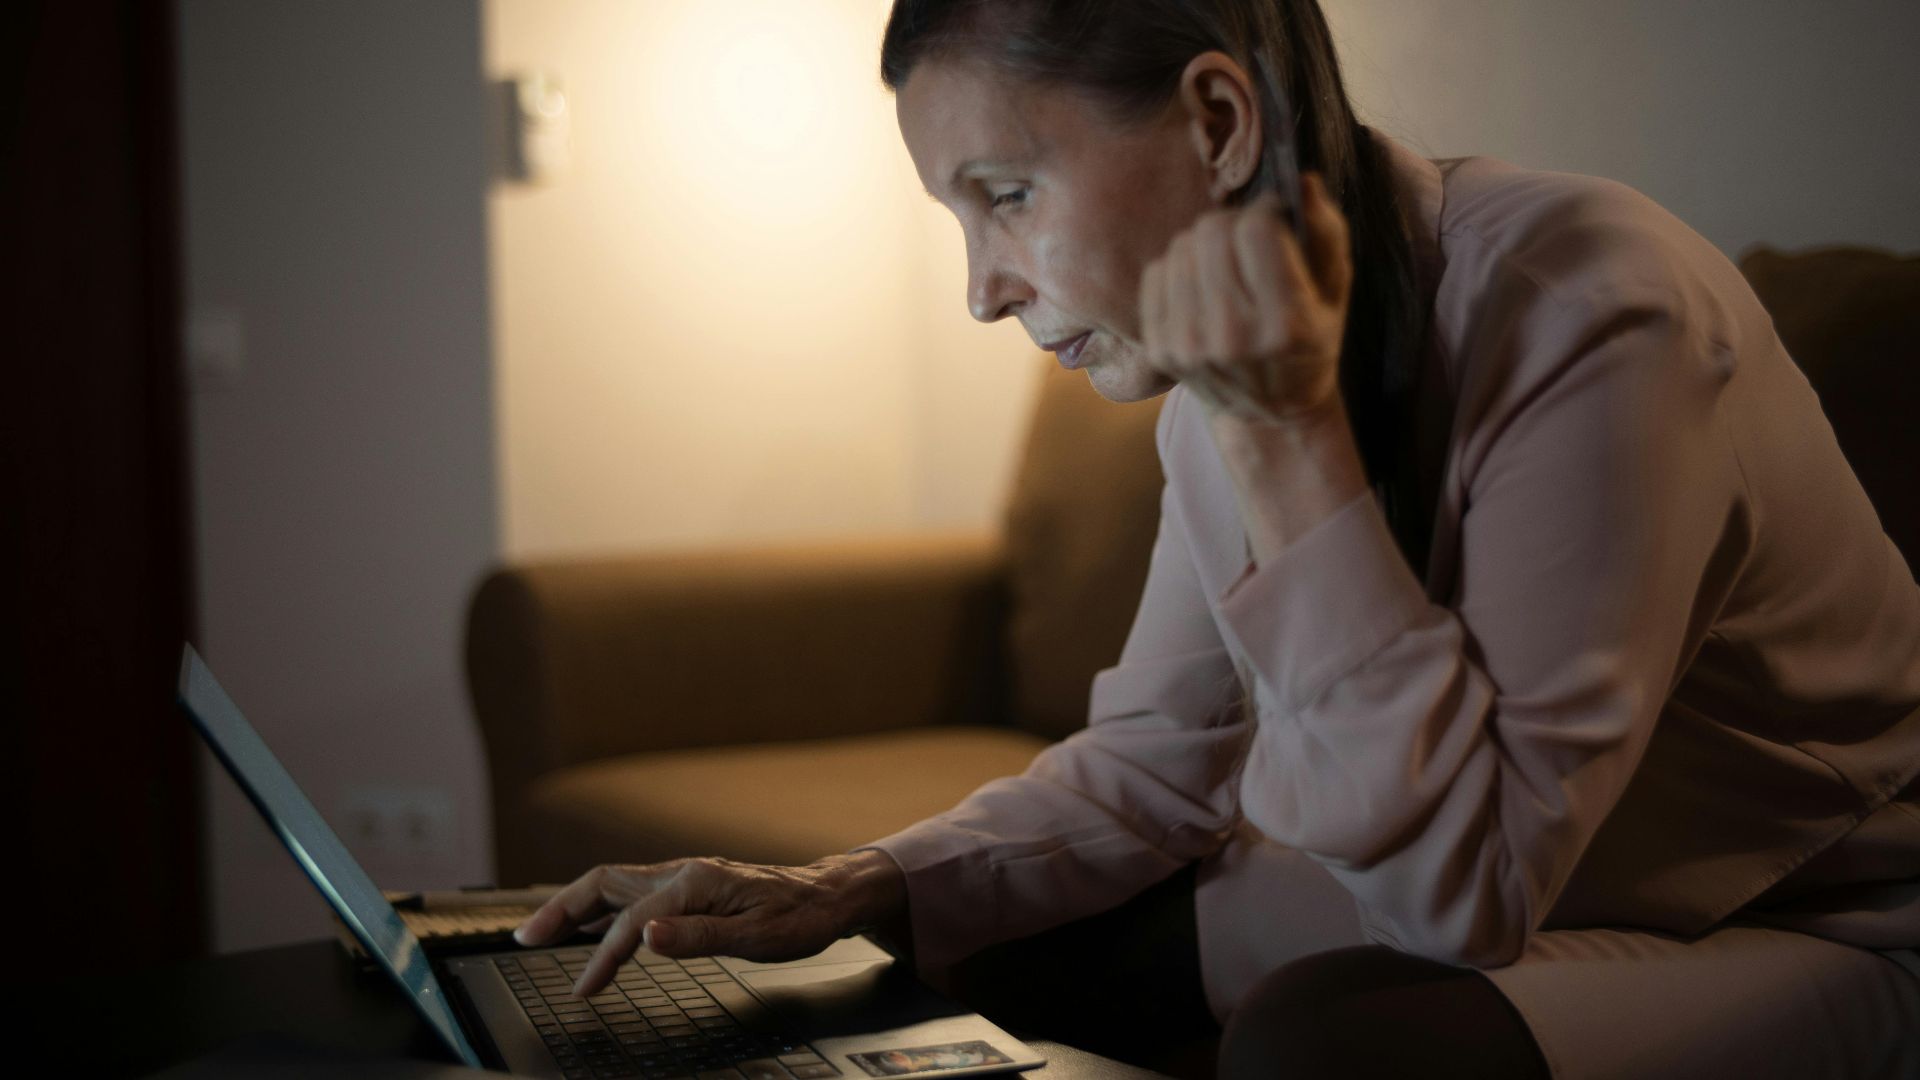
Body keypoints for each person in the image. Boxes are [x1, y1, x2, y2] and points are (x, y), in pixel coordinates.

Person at [516, 1, 1920, 1076]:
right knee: (975, 950)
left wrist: (1284, 435)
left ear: (1217, 125)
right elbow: (1157, 764)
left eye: (1004, 194)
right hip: (1574, 896)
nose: (980, 291)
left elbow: (1462, 896)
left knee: (1333, 1047)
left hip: (1810, 924)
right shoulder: (1213, 386)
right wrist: (846, 883)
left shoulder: (1596, 311)